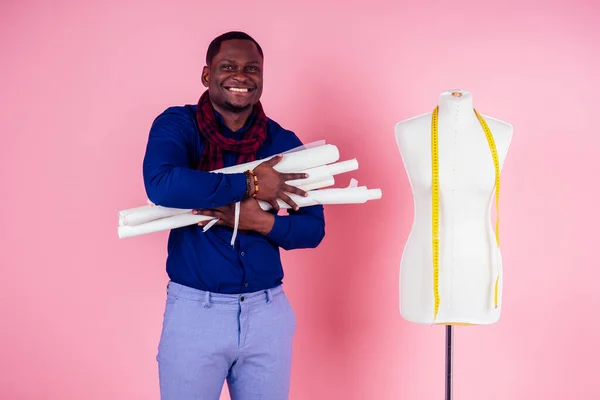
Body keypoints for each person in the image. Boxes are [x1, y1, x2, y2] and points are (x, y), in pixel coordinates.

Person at [142, 31, 326, 400]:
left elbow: (313, 229)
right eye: (228, 66)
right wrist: (251, 185)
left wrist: (261, 221)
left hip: (268, 314)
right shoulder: (179, 126)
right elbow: (162, 184)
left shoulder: (282, 143)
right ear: (207, 75)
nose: (240, 76)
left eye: (251, 69)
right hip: (196, 312)